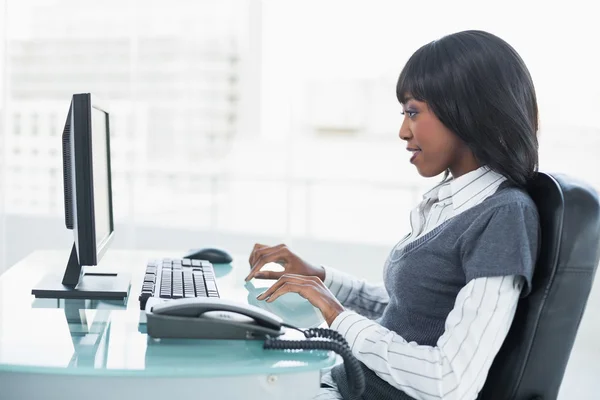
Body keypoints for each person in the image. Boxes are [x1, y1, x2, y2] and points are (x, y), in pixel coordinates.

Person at [245, 30, 540, 400]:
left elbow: (449, 381)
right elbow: (410, 312)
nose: (403, 131)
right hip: (346, 384)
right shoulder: (451, 203)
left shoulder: (503, 217)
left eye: (413, 112)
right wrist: (319, 278)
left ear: (467, 110)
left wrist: (336, 314)